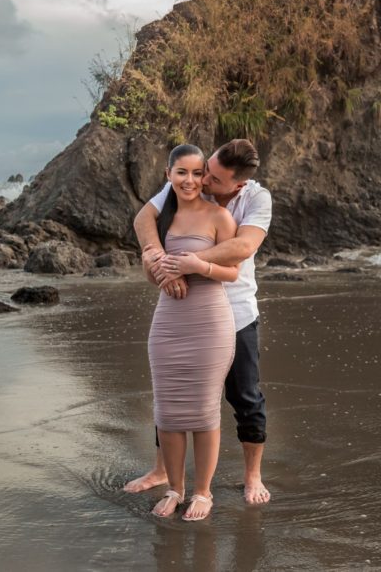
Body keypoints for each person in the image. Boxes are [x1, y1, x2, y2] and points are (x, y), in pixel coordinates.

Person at [124, 138, 273, 505]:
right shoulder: (188, 181)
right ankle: (163, 471)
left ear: (238, 184)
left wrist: (192, 263)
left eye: (213, 179)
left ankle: (252, 475)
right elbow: (145, 218)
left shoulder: (256, 199)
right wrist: (156, 259)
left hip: (235, 313)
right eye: (206, 170)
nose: (203, 181)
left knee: (245, 396)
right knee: (171, 395)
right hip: (182, 310)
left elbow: (242, 248)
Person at [141, 144, 240, 521]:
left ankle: (202, 492)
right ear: (167, 175)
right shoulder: (161, 218)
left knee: (203, 409)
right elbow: (149, 270)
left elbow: (233, 272)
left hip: (209, 321)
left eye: (198, 173)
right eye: (182, 172)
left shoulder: (219, 216)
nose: (190, 180)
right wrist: (162, 274)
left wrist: (198, 266)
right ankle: (175, 488)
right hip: (168, 322)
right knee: (167, 411)